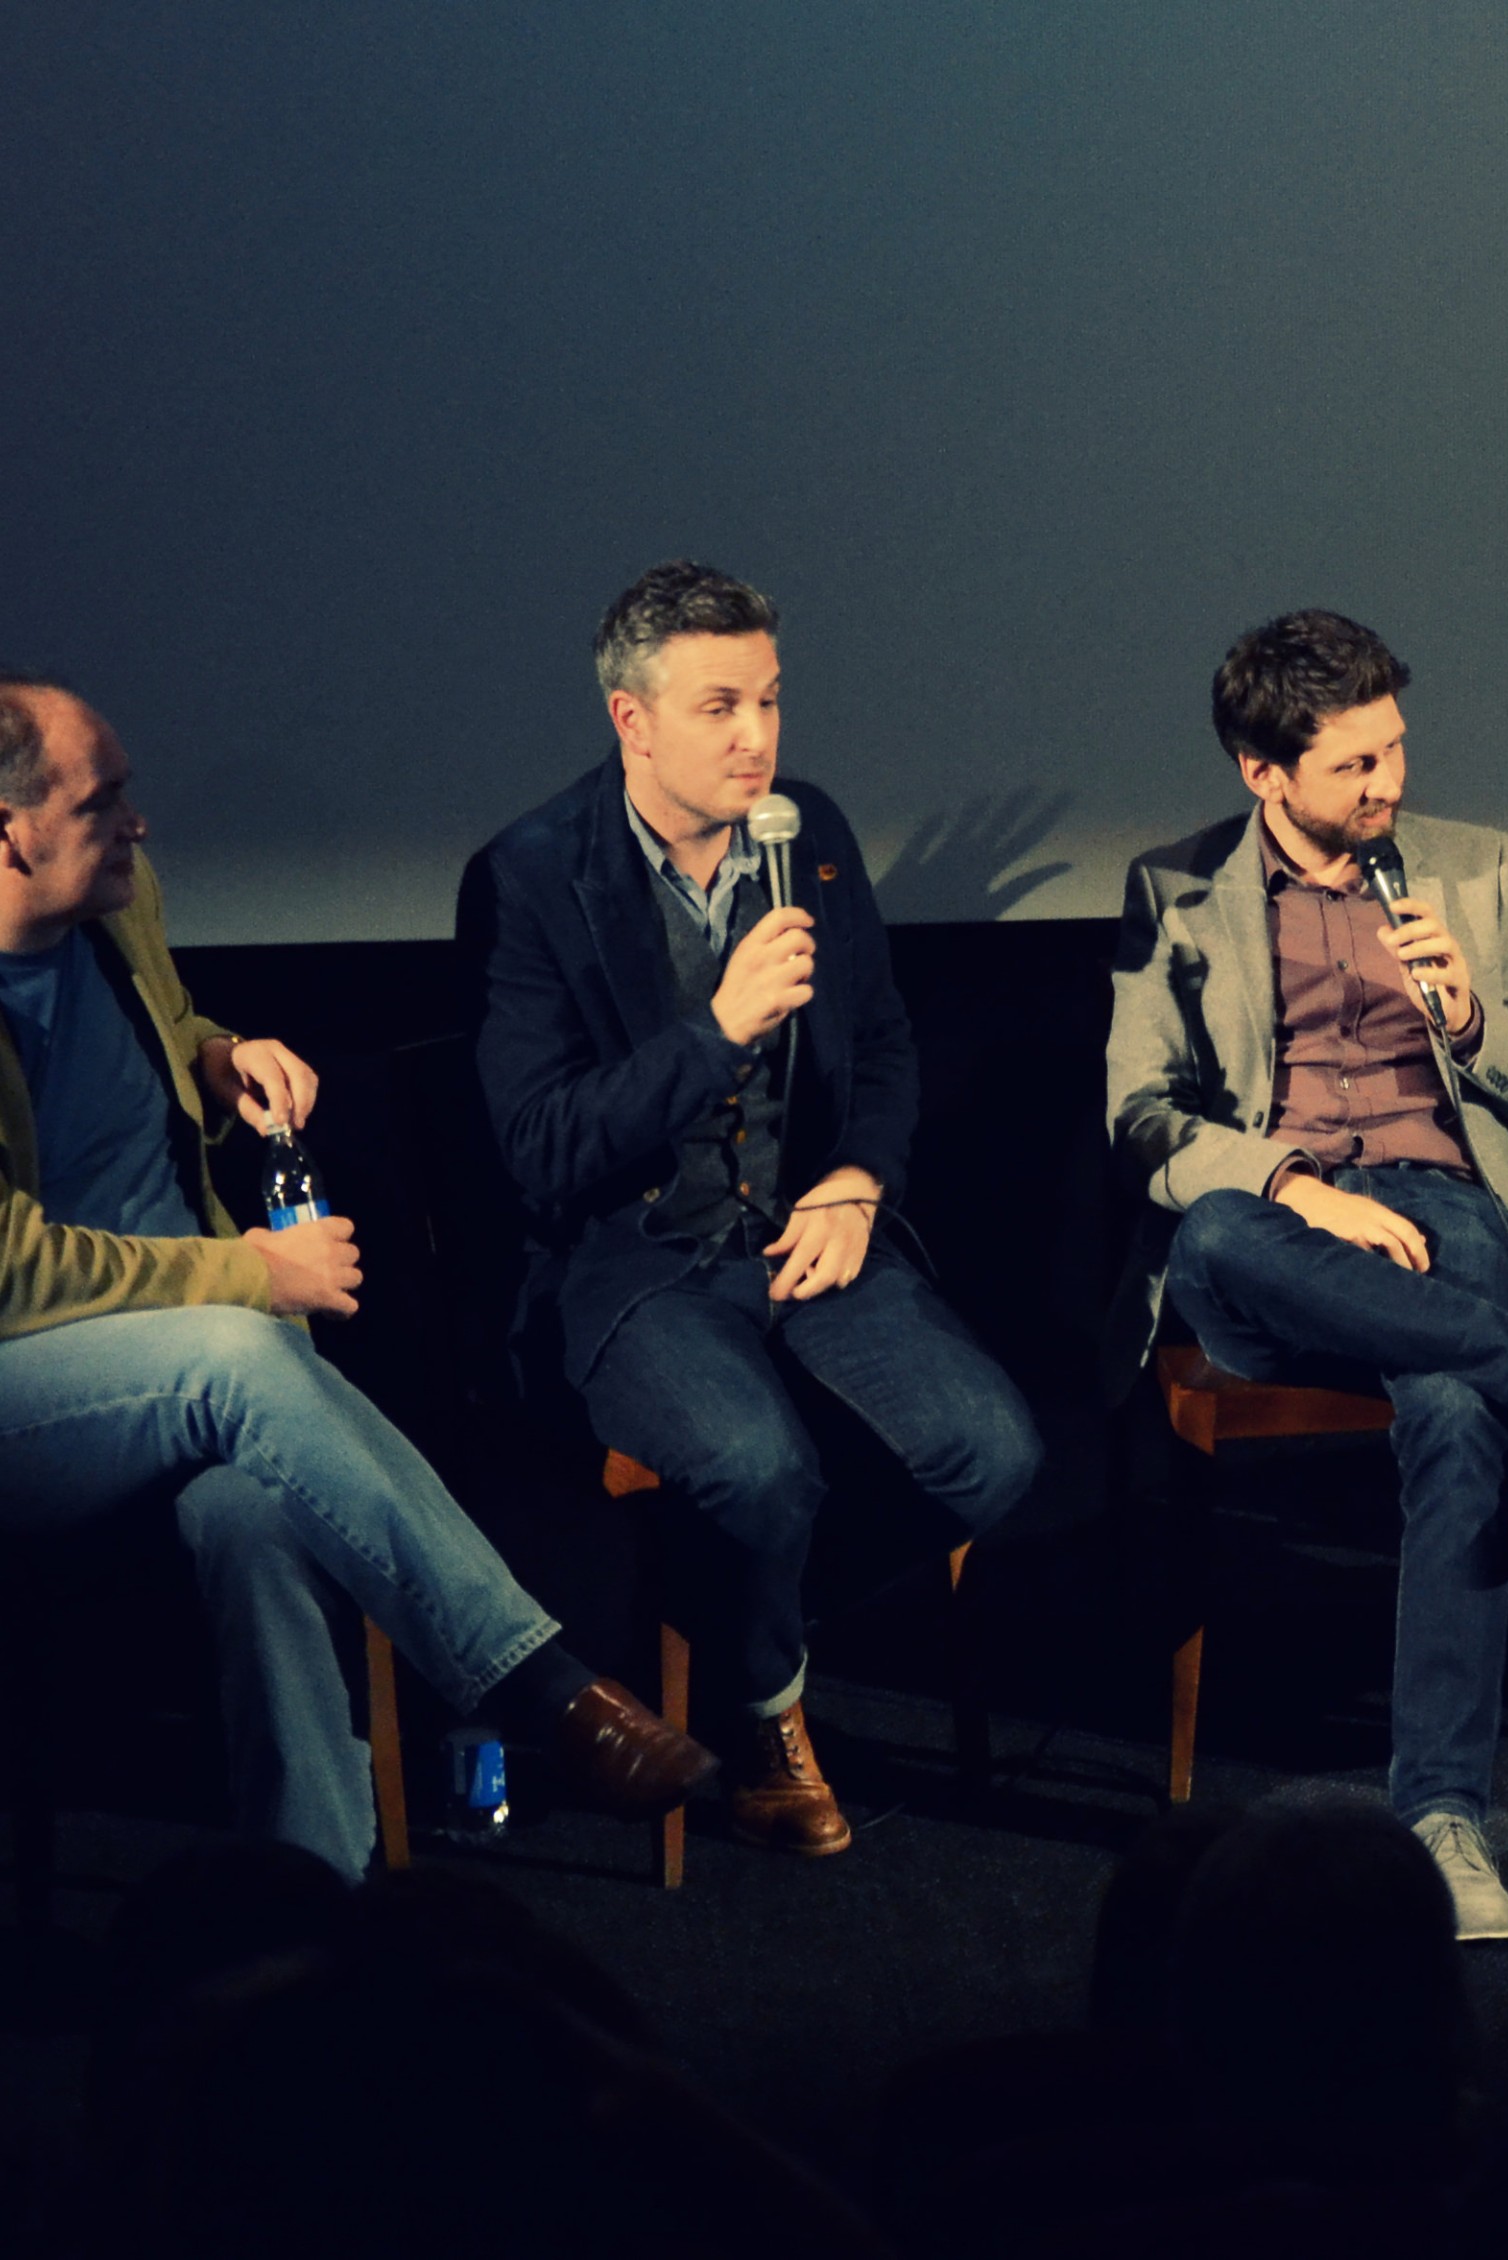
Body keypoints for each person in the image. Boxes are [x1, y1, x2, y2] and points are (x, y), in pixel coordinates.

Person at [0, 675, 711, 1876]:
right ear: (9, 831)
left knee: (255, 1517)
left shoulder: (118, 908)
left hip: (187, 1366)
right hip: (35, 1392)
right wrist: (247, 1273)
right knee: (234, 1351)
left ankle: (312, 1896)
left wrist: (219, 1053)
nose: (138, 824)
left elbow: (160, 1027)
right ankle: (542, 1683)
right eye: (103, 801)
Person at [1106, 607, 1508, 1942]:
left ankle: (1442, 1818)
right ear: (1263, 774)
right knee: (1209, 1231)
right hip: (1277, 1229)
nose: (1389, 787)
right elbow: (1141, 1116)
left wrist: (1472, 1021)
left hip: (1446, 1208)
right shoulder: (1175, 889)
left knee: (1452, 1410)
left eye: (1396, 751)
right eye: (1354, 766)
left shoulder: (1475, 869)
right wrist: (1295, 1186)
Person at [460, 563, 1043, 1861]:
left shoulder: (808, 833)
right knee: (756, 1465)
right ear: (631, 721)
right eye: (720, 705)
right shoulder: (530, 879)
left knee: (991, 1453)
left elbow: (884, 1045)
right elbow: (540, 1154)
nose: (755, 737)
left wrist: (857, 1177)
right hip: (638, 1261)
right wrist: (715, 1028)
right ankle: (767, 1711)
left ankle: (725, 1635)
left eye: (769, 701)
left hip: (804, 1229)